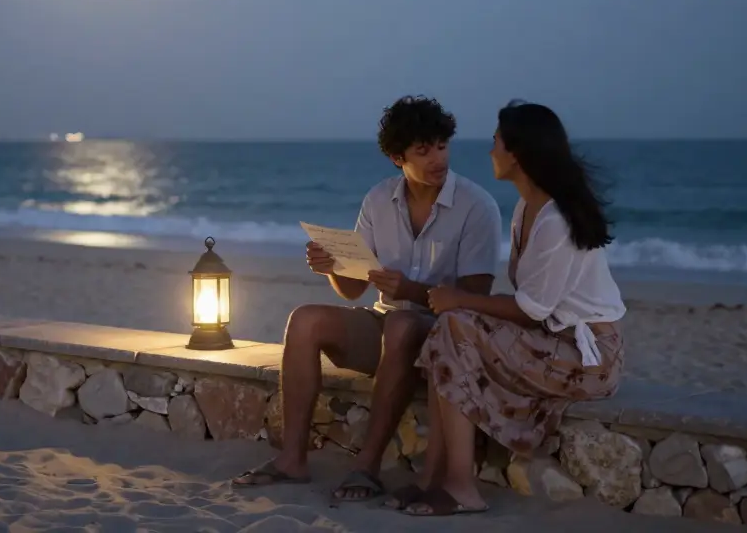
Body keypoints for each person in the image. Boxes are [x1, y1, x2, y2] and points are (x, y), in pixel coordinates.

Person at [232, 95, 503, 504]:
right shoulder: (379, 199)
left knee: (402, 323)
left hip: (443, 336)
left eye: (441, 146)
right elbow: (355, 288)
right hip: (386, 326)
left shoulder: (476, 205)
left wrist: (410, 291)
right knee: (304, 319)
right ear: (398, 157)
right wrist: (333, 268)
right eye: (422, 150)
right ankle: (292, 460)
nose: (437, 158)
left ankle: (367, 466)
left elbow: (475, 299)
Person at [391, 101, 627, 517]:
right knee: (450, 327)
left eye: (496, 143)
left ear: (516, 153)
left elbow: (532, 309)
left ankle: (461, 487)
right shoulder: (524, 209)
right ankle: (433, 478)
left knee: (453, 323)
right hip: (552, 341)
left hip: (591, 357)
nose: (490, 152)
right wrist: (456, 307)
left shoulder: (556, 219)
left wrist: (458, 298)